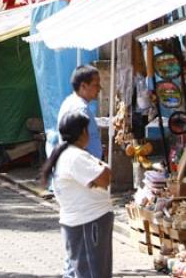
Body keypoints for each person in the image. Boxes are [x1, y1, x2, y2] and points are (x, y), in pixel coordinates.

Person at [41, 110, 113, 278]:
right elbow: (105, 179)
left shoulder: (68, 154)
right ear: (83, 132)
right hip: (88, 222)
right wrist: (104, 167)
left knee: (76, 272)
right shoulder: (75, 157)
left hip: (81, 222)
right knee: (92, 272)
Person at [57, 65, 103, 159]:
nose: (99, 89)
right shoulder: (80, 109)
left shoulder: (70, 102)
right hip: (83, 167)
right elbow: (77, 144)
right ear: (83, 86)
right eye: (96, 85)